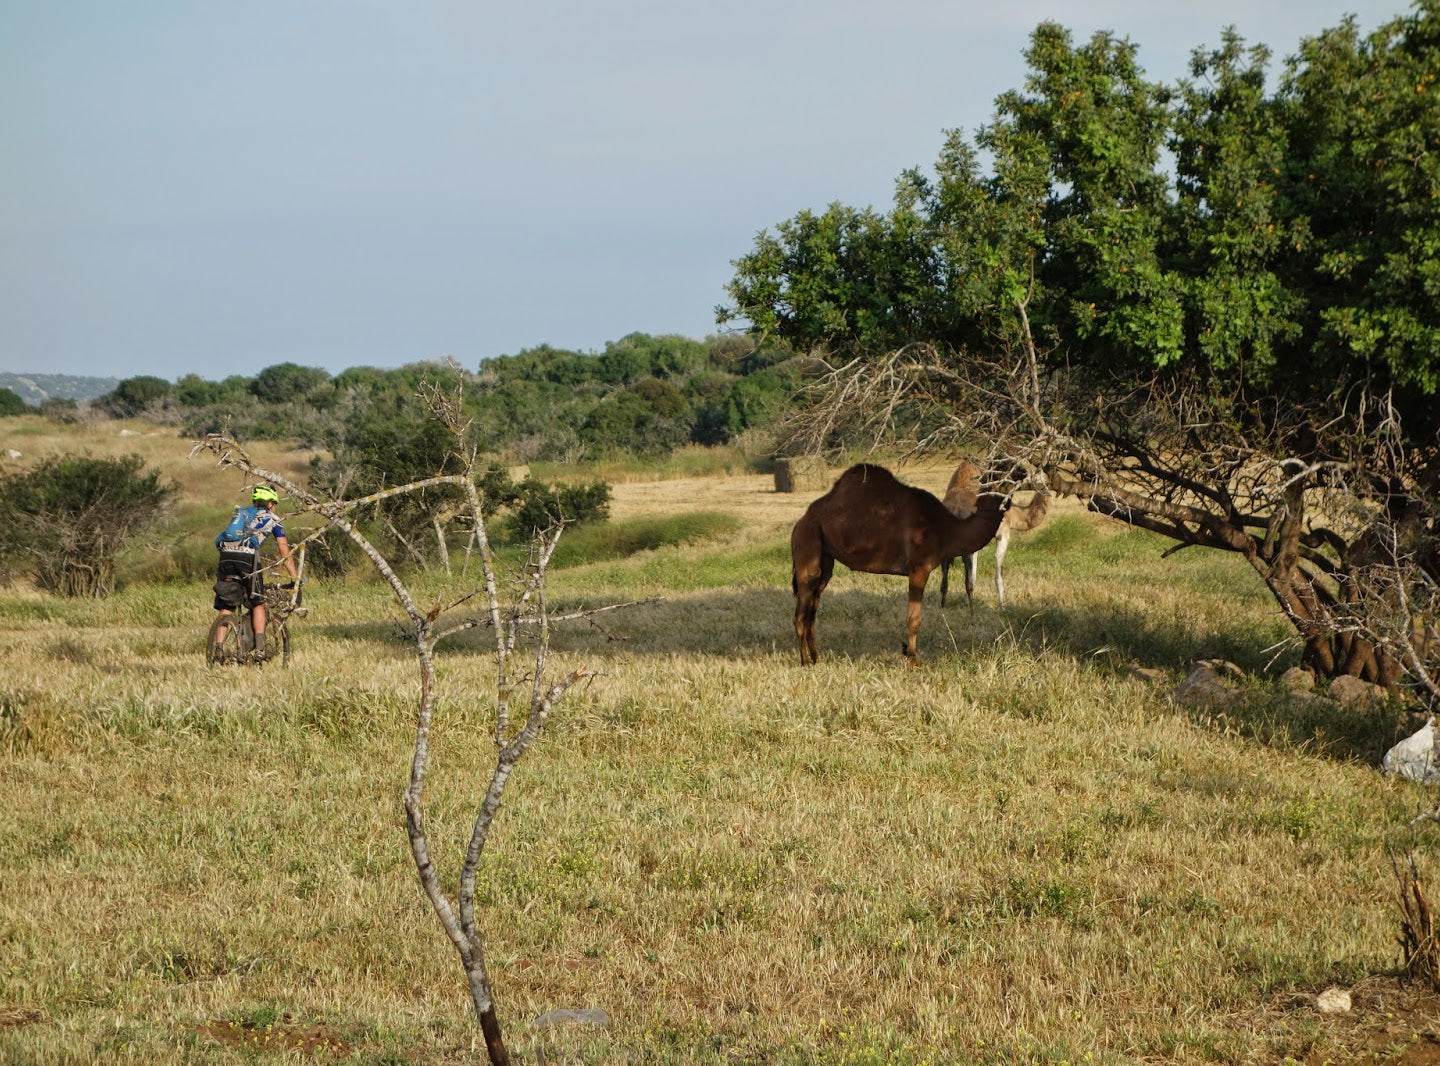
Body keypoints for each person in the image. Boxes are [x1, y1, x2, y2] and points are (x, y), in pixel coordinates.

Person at [213, 485, 300, 661]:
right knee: (258, 603)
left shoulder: (241, 514)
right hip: (246, 559)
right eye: (274, 504)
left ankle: (218, 650)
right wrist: (294, 576)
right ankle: (260, 649)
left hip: (225, 558)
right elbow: (284, 549)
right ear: (269, 503)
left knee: (226, 607)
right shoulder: (273, 519)